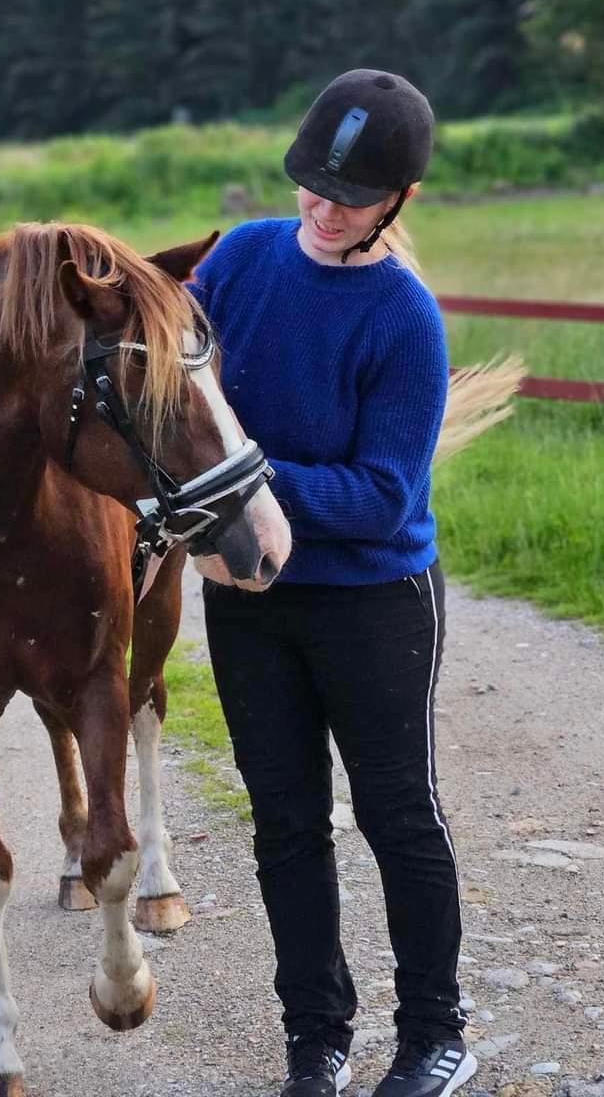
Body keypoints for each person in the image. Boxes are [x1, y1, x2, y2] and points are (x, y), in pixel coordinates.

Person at [190, 70, 477, 1097]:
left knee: (397, 816)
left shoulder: (404, 319)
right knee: (284, 825)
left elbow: (381, 498)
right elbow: (172, 376)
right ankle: (316, 1038)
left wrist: (249, 473)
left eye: (347, 197)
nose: (320, 207)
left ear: (398, 201)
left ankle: (436, 1034)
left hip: (372, 604)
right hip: (249, 598)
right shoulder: (241, 258)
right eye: (311, 182)